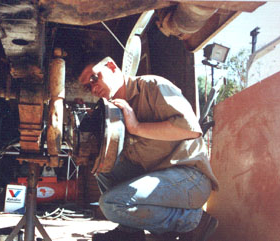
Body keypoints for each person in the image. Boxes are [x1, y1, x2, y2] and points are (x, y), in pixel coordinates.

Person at [78, 55, 219, 241]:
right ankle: (130, 232)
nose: (93, 88)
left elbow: (190, 130)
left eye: (94, 78)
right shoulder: (111, 110)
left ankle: (194, 221)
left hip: (189, 178)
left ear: (111, 66)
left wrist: (135, 126)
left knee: (112, 204)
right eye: (88, 87)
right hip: (156, 176)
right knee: (103, 166)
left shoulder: (153, 86)